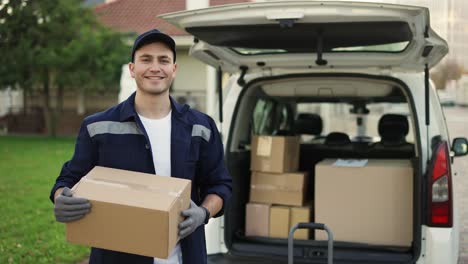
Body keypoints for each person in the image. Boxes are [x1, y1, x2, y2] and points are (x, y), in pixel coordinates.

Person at [50, 29, 232, 264]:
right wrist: (60, 198)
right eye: (146, 59)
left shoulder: (201, 127)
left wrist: (204, 212)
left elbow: (220, 184)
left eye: (163, 60)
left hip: (184, 256)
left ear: (173, 69)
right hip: (116, 257)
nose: (155, 67)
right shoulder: (98, 126)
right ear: (132, 68)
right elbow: (68, 179)